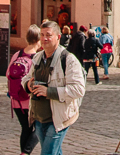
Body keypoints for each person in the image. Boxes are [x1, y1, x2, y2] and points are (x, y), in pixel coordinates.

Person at [22, 21, 86, 155]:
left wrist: (48, 92)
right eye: (42, 35)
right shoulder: (38, 57)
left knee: (48, 153)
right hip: (39, 118)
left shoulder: (68, 59)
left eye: (48, 35)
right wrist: (28, 85)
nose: (44, 38)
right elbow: (26, 78)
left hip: (58, 119)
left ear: (58, 36)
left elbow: (78, 89)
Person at [7, 24, 42, 155]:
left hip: (16, 100)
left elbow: (8, 74)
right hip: (31, 100)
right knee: (39, 127)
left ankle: (24, 152)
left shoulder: (17, 54)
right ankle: (25, 152)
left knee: (25, 128)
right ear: (38, 40)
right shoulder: (37, 58)